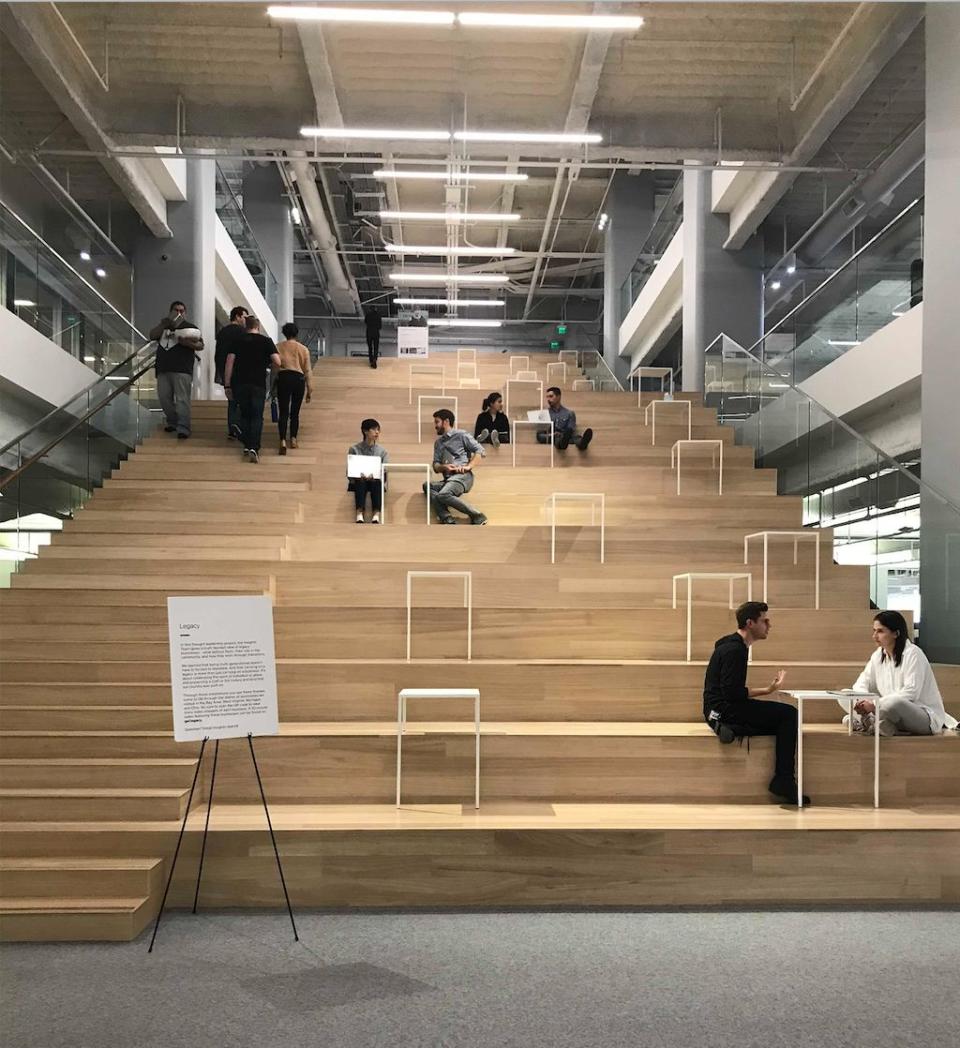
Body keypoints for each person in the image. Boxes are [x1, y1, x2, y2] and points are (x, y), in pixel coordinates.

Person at [702, 601, 809, 806]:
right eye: (764, 621)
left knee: (780, 719)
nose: (769, 625)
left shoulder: (730, 644)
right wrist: (767, 691)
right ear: (750, 623)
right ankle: (784, 780)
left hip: (714, 709)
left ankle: (732, 728)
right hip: (725, 709)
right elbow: (733, 694)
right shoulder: (735, 650)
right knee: (789, 715)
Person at [841, 610, 956, 736]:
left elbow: (911, 693)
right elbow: (860, 684)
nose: (874, 636)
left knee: (894, 703)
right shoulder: (878, 655)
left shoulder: (913, 654)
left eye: (880, 631)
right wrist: (863, 701)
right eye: (874, 631)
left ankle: (870, 723)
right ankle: (880, 724)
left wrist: (874, 705)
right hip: (887, 710)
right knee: (844, 695)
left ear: (896, 633)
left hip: (923, 717)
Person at [223, 316, 281, 464]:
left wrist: (227, 385)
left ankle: (247, 445)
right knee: (257, 416)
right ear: (258, 326)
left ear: (245, 326)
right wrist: (270, 370)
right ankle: (254, 446)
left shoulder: (237, 341)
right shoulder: (266, 341)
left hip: (240, 383)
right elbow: (277, 361)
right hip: (258, 384)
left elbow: (229, 363)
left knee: (244, 415)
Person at [149, 300, 204, 439]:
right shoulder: (164, 326)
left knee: (182, 400)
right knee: (164, 398)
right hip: (163, 368)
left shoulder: (190, 327)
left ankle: (183, 427)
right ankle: (173, 421)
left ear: (185, 313)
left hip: (182, 369)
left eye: (181, 311)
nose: (179, 313)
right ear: (170, 311)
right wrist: (163, 324)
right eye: (176, 310)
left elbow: (200, 345)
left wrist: (187, 343)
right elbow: (152, 335)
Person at [423, 409, 487, 525]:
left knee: (443, 494)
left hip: (462, 476)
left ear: (446, 421)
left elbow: (481, 451)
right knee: (427, 486)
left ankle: (477, 514)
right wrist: (444, 467)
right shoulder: (438, 443)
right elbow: (435, 466)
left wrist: (468, 467)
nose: (435, 426)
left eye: (437, 422)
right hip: (448, 479)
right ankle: (446, 517)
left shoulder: (461, 435)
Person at [273, 322, 313, 455]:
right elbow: (307, 370)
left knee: (283, 411)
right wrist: (309, 389)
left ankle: (282, 440)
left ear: (284, 333)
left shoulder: (278, 347)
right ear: (297, 333)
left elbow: (275, 366)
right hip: (298, 379)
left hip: (283, 378)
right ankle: (294, 439)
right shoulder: (303, 349)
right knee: (294, 412)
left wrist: (273, 384)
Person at [214, 306, 248, 441]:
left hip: (224, 369)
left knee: (231, 399)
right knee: (241, 400)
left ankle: (231, 428)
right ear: (238, 316)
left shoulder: (222, 331)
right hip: (239, 369)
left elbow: (219, 353)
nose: (245, 320)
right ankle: (238, 426)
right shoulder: (242, 332)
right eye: (244, 317)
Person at [348, 418, 388, 524]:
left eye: (378, 430)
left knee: (377, 482)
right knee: (360, 482)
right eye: (374, 429)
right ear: (365, 431)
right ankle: (359, 513)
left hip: (375, 481)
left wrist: (375, 475)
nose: (377, 432)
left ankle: (376, 514)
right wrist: (357, 475)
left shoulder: (382, 451)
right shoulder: (354, 449)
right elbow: (349, 472)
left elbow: (385, 471)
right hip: (358, 481)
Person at [537, 386, 593, 452]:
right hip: (552, 437)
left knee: (577, 437)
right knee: (540, 436)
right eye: (547, 397)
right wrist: (552, 434)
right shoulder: (544, 413)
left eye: (551, 396)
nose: (548, 399)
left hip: (566, 437)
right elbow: (542, 431)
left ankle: (583, 443)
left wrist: (563, 434)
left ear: (558, 397)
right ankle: (562, 443)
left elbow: (570, 429)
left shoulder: (569, 413)